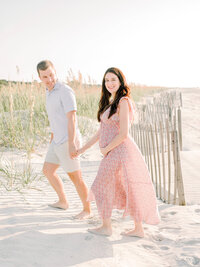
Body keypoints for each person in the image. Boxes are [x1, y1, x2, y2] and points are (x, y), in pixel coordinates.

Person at [76, 67, 160, 236]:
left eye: (113, 79)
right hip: (112, 152)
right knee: (122, 186)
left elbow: (123, 133)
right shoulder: (111, 102)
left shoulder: (124, 101)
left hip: (120, 150)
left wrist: (106, 149)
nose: (110, 83)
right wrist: (82, 149)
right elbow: (101, 131)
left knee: (102, 185)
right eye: (107, 80)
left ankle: (108, 227)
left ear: (121, 81)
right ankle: (137, 229)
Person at [37, 60, 90, 219]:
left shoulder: (65, 91)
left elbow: (72, 118)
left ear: (55, 72)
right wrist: (53, 135)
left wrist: (72, 144)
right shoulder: (48, 91)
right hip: (56, 141)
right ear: (39, 77)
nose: (49, 79)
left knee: (76, 177)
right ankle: (63, 201)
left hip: (68, 140)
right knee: (47, 170)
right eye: (45, 76)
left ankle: (87, 210)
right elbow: (55, 117)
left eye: (51, 75)